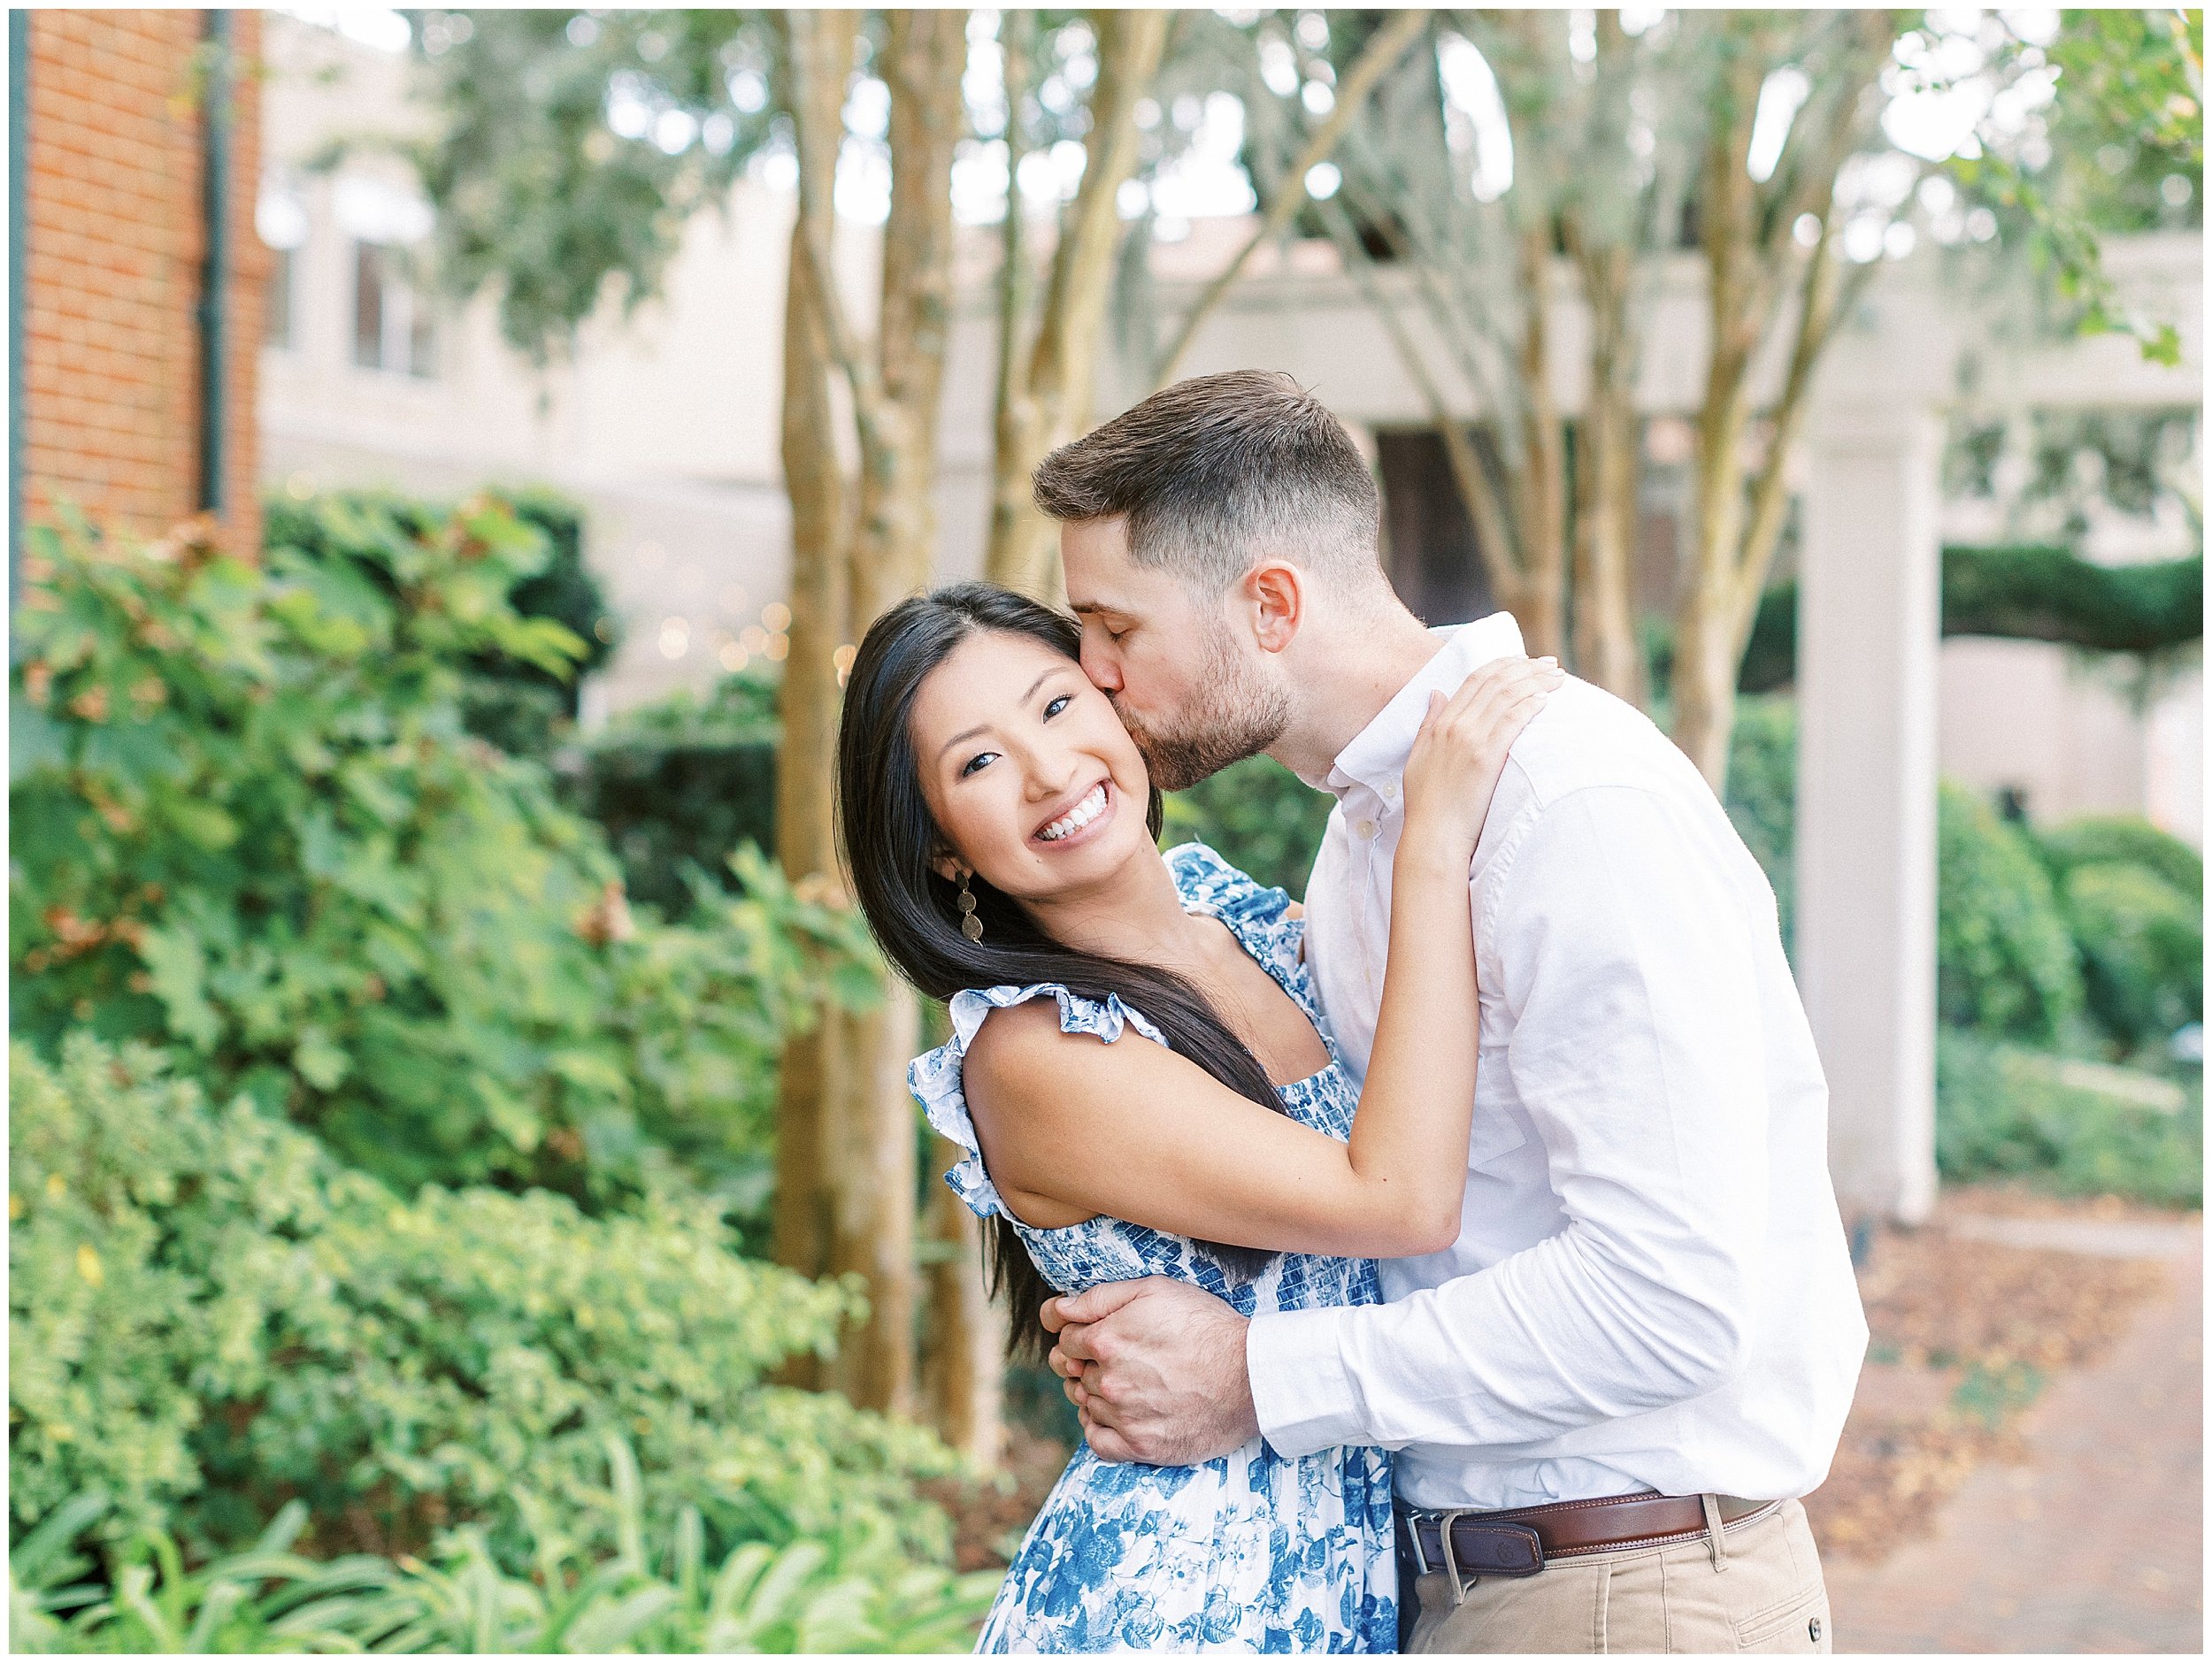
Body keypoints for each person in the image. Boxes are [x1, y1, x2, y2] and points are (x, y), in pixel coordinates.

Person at [1031, 370, 1870, 1655]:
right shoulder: (1374, 834)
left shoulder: (1563, 803)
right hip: (1493, 1584)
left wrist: (1257, 1379)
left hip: (1622, 1594)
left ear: (1269, 604)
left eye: (1114, 628)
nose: (1092, 675)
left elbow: (1669, 1300)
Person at [836, 580, 1561, 1652]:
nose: (1048, 770)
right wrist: (1430, 831)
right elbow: (1400, 1199)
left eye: (1053, 705)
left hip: (1346, 1570)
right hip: (1179, 1598)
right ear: (940, 846)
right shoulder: (1035, 1049)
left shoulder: (1242, 922)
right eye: (977, 762)